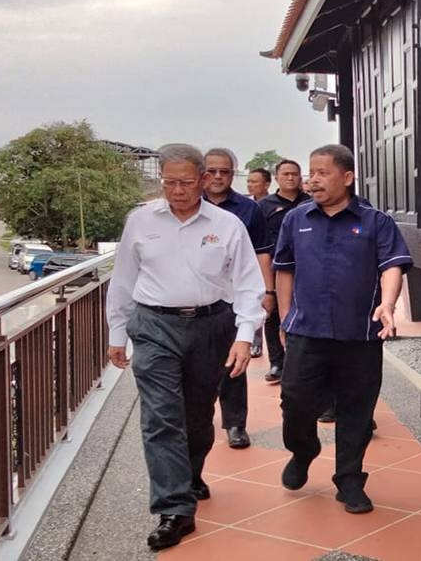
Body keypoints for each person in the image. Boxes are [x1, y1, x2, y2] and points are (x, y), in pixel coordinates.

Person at [106, 143, 264, 551]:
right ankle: (174, 508)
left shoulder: (227, 225)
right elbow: (123, 278)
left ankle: (190, 474)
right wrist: (116, 334)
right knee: (161, 417)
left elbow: (248, 283)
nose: (177, 190)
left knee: (197, 415)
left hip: (211, 326)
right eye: (170, 182)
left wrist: (245, 335)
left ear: (204, 179)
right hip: (154, 326)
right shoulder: (140, 222)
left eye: (186, 182)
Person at [274, 144, 413, 514]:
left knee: (356, 410)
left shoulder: (375, 221)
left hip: (360, 335)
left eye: (322, 173)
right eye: (311, 172)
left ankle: (349, 479)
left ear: (347, 177)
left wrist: (387, 303)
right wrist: (285, 316)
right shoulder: (296, 218)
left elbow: (391, 266)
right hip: (307, 331)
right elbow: (284, 267)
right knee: (296, 403)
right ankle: (303, 451)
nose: (312, 180)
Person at [202, 148, 275, 449]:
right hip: (198, 298)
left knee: (233, 360)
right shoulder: (188, 205)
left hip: (234, 298)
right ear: (203, 173)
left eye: (225, 171)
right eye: (212, 171)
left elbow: (262, 252)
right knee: (197, 367)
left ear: (233, 174)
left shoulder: (248, 209)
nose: (218, 177)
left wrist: (267, 292)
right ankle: (199, 423)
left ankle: (235, 424)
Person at [256, 159, 309, 383]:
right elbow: (260, 243)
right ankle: (277, 361)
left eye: (295, 174)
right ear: (277, 177)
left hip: (306, 268)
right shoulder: (264, 206)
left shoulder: (310, 202)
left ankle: (302, 361)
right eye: (285, 174)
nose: (290, 178)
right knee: (274, 313)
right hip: (275, 267)